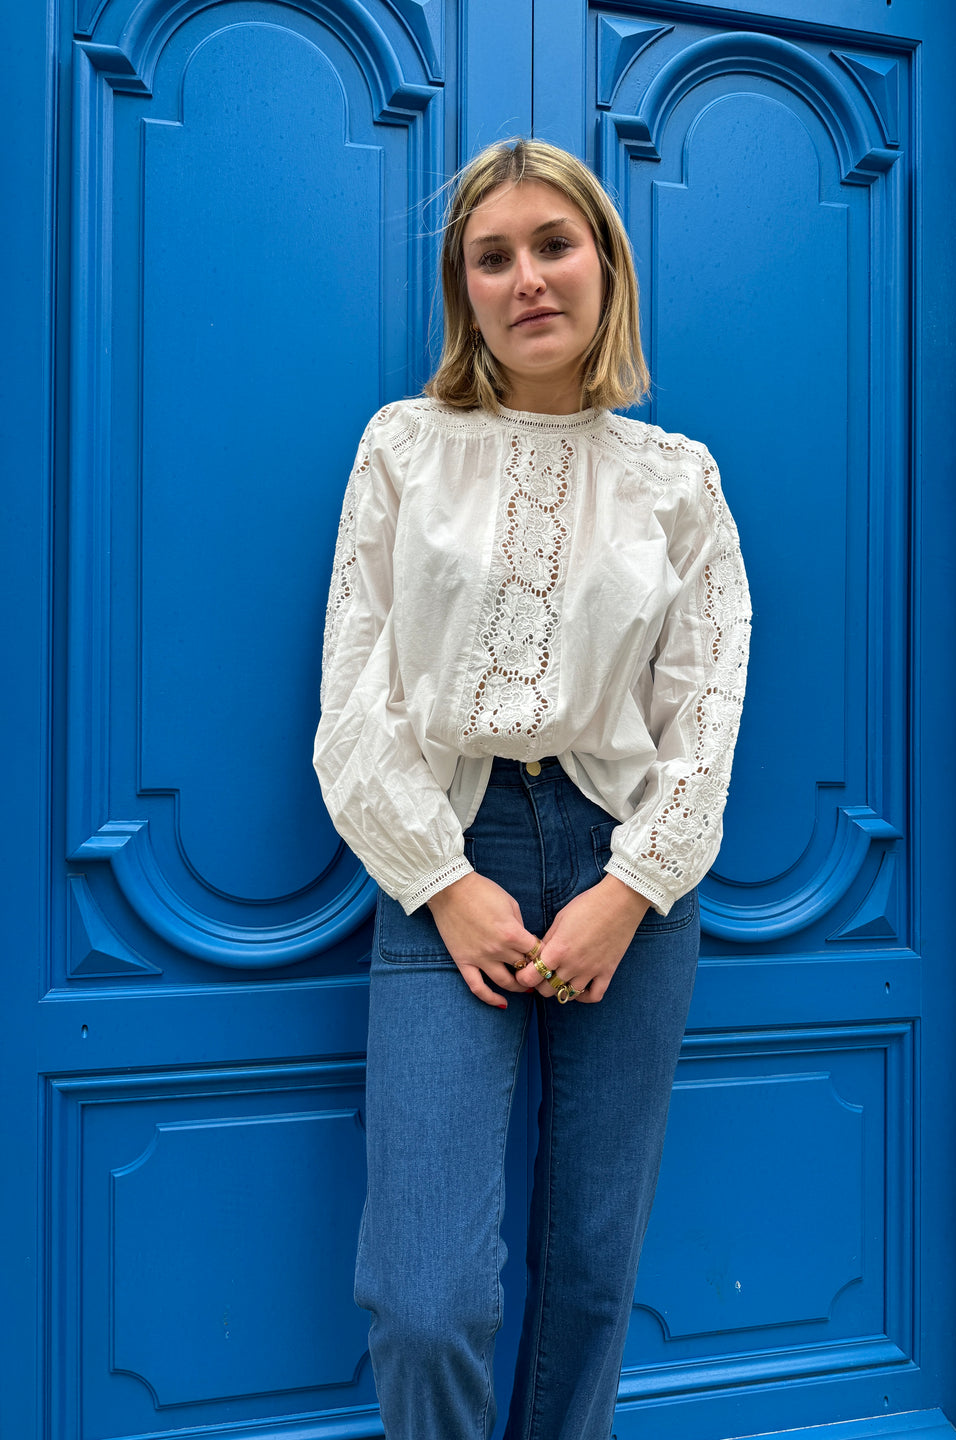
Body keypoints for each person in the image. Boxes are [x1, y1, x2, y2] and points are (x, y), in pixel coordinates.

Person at [314, 137, 751, 1440]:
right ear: (464, 290)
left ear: (607, 266)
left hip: (628, 862)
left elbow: (708, 704)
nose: (526, 281)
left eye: (553, 246)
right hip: (444, 845)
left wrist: (634, 889)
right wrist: (443, 884)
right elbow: (354, 695)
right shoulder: (404, 448)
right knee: (425, 1294)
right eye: (490, 257)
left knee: (591, 1267)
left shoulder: (679, 480)